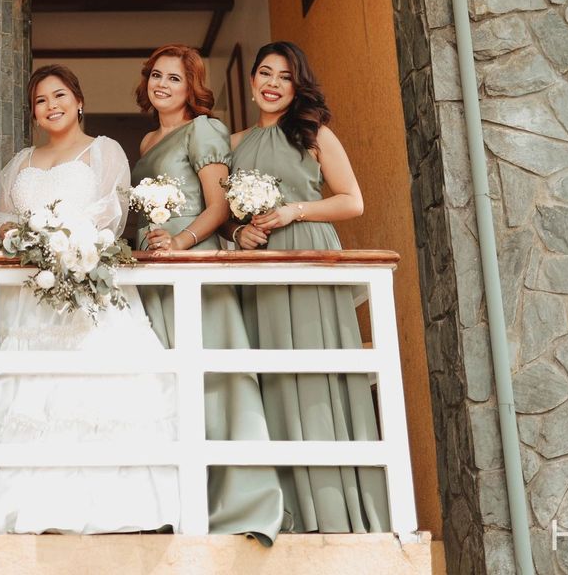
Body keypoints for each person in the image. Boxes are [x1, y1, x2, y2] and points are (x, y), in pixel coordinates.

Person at [0, 64, 180, 534]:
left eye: (59, 96)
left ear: (79, 100)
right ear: (33, 113)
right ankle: (11, 503)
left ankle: (104, 507)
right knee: (15, 396)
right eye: (40, 101)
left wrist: (64, 238)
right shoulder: (21, 161)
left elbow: (110, 213)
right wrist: (18, 234)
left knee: (86, 397)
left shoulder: (104, 150)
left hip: (84, 282)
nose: (51, 106)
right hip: (24, 293)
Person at [229, 41, 390, 533]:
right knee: (271, 375)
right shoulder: (234, 143)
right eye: (265, 73)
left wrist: (293, 211)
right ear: (252, 81)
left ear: (297, 86)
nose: (273, 83)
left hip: (308, 253)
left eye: (284, 76)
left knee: (316, 372)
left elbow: (352, 201)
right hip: (260, 266)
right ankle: (285, 508)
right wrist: (240, 233)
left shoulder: (313, 134)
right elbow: (224, 213)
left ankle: (337, 508)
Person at [128, 44, 282, 543]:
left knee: (214, 378)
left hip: (192, 260)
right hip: (152, 266)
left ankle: (238, 500)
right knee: (164, 380)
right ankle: (177, 501)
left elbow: (218, 206)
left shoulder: (205, 129)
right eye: (156, 75)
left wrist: (181, 243)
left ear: (192, 86)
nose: (162, 84)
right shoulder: (148, 139)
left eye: (175, 78)